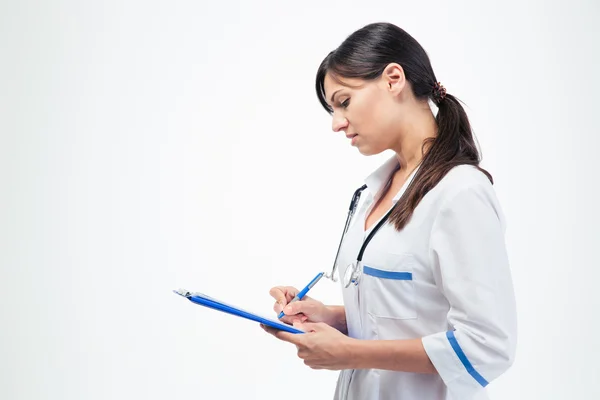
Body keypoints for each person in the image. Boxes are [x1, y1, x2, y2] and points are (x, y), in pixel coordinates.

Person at [261, 22, 517, 400]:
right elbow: (414, 312)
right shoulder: (373, 190)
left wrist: (352, 354)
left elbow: (487, 345)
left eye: (344, 102)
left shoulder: (460, 193)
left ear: (393, 79)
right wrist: (331, 316)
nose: (337, 124)